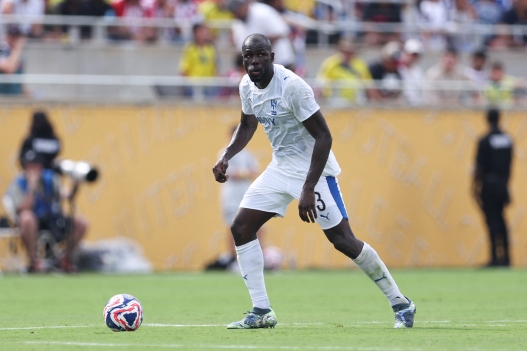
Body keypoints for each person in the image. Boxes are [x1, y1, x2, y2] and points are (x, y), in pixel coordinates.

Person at [212, 33, 416, 329]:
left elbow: (324, 136)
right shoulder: (247, 86)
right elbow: (247, 124)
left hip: (313, 171)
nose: (254, 61)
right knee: (241, 227)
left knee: (343, 241)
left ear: (271, 56)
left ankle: (402, 303)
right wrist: (227, 156)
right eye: (248, 56)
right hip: (280, 168)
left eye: (259, 55)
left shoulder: (293, 87)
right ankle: (261, 311)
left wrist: (308, 188)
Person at [4, 150, 88, 273]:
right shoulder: (19, 183)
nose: (34, 169)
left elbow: (67, 196)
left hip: (52, 219)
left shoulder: (50, 179)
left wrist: (75, 184)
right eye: (30, 166)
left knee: (81, 223)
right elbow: (22, 209)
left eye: (37, 166)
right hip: (33, 222)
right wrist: (31, 186)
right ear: (24, 167)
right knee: (26, 217)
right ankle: (33, 261)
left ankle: (63, 259)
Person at [206, 125, 261, 271]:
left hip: (246, 194)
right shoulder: (224, 154)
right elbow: (231, 174)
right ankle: (234, 258)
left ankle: (257, 257)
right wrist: (245, 173)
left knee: (254, 225)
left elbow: (255, 170)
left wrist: (242, 173)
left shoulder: (247, 154)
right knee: (232, 226)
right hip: (231, 196)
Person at [472, 109, 513, 267]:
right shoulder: (507, 139)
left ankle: (495, 257)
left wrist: (474, 188)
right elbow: (510, 165)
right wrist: (506, 184)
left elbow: (479, 167)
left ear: (487, 119)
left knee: (492, 221)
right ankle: (507, 257)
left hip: (489, 185)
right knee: (502, 220)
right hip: (503, 184)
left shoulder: (485, 140)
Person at [227, 0, 296, 71]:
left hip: (280, 60)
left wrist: (259, 45)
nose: (236, 13)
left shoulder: (261, 11)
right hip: (259, 67)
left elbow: (281, 33)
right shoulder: (238, 22)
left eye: (237, 10)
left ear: (244, 5)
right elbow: (240, 46)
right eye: (234, 11)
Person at [316, 38, 373, 103]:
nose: (347, 54)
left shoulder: (360, 64)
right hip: (335, 102)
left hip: (356, 102)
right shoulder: (330, 63)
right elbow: (322, 82)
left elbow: (368, 83)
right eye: (345, 51)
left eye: (350, 52)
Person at [179, 23, 217, 97]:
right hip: (193, 85)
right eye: (202, 31)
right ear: (195, 33)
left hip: (208, 86)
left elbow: (214, 68)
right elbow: (184, 69)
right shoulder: (189, 48)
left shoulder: (211, 48)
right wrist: (185, 86)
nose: (206, 33)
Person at [398, 38, 425, 105]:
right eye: (412, 54)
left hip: (415, 107)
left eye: (416, 55)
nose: (414, 57)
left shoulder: (418, 71)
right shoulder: (397, 68)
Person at [0, 26, 26, 95]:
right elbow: (9, 70)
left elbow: (18, 78)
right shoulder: (2, 51)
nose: (14, 40)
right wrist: (17, 50)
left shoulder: (19, 55)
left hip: (15, 95)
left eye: (16, 37)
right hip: (3, 96)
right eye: (12, 36)